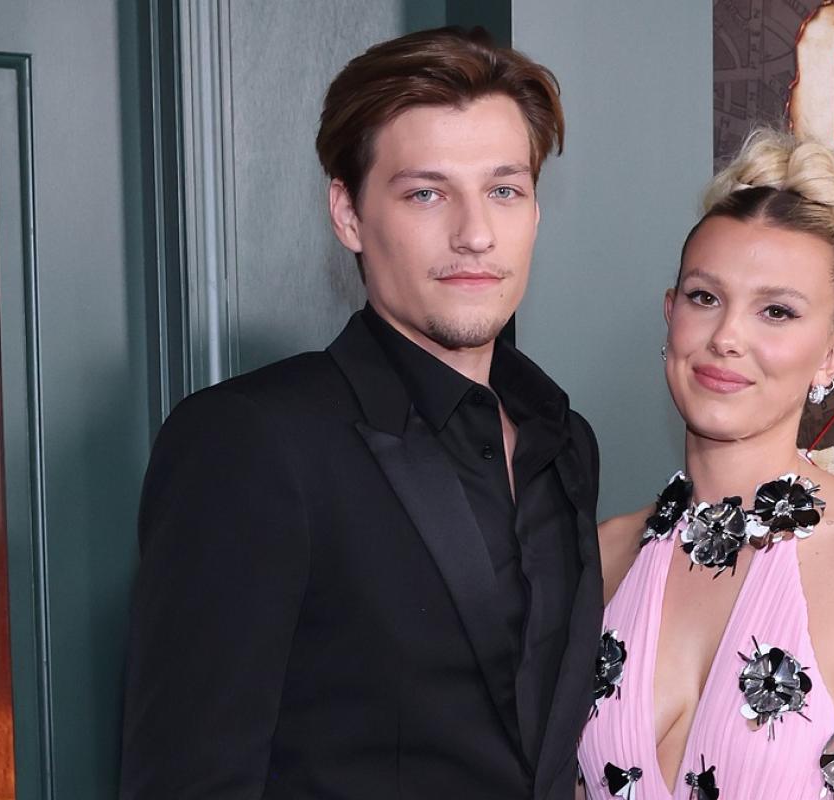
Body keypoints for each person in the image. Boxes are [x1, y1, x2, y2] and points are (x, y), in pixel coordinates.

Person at [120, 27, 602, 799]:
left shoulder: (564, 440)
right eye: (426, 193)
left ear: (535, 211)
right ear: (348, 214)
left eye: (504, 190)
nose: (476, 234)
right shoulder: (248, 442)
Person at [577, 129, 834, 799]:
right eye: (705, 298)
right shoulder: (601, 557)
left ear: (832, 355)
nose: (727, 337)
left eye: (777, 311)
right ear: (670, 316)